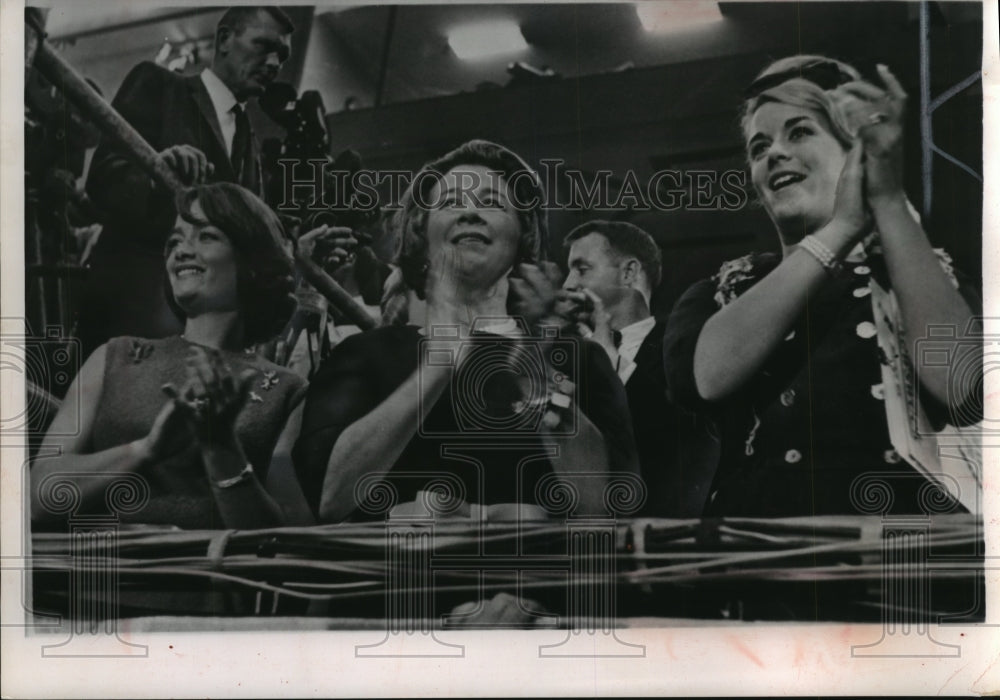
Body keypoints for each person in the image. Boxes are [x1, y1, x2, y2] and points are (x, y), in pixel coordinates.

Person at [663, 56, 981, 517]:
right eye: (758, 147)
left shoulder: (916, 275)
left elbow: (963, 390)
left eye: (800, 132)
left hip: (900, 560)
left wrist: (885, 198)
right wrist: (841, 228)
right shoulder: (725, 288)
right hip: (762, 560)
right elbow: (708, 379)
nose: (773, 153)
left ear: (856, 152)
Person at [293, 140, 638, 524]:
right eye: (451, 202)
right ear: (422, 232)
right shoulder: (364, 354)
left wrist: (532, 375)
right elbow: (327, 500)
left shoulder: (578, 357)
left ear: (523, 232)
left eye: (492, 203)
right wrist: (439, 363)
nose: (471, 211)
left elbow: (608, 509)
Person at [31, 183, 307, 531]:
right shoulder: (113, 358)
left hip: (215, 583)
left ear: (252, 260)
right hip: (107, 581)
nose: (181, 251)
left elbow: (291, 541)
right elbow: (41, 496)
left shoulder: (286, 391)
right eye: (174, 241)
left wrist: (221, 448)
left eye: (205, 236)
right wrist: (146, 450)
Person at [80, 6, 294, 354]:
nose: (273, 63)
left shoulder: (251, 144)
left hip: (205, 343)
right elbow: (102, 180)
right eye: (264, 46)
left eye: (282, 56)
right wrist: (156, 174)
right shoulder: (159, 84)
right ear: (225, 39)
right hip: (131, 326)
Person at [562, 220, 716, 517]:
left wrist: (610, 363)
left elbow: (687, 444)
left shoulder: (686, 340)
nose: (567, 284)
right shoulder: (566, 354)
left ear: (629, 273)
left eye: (581, 269)